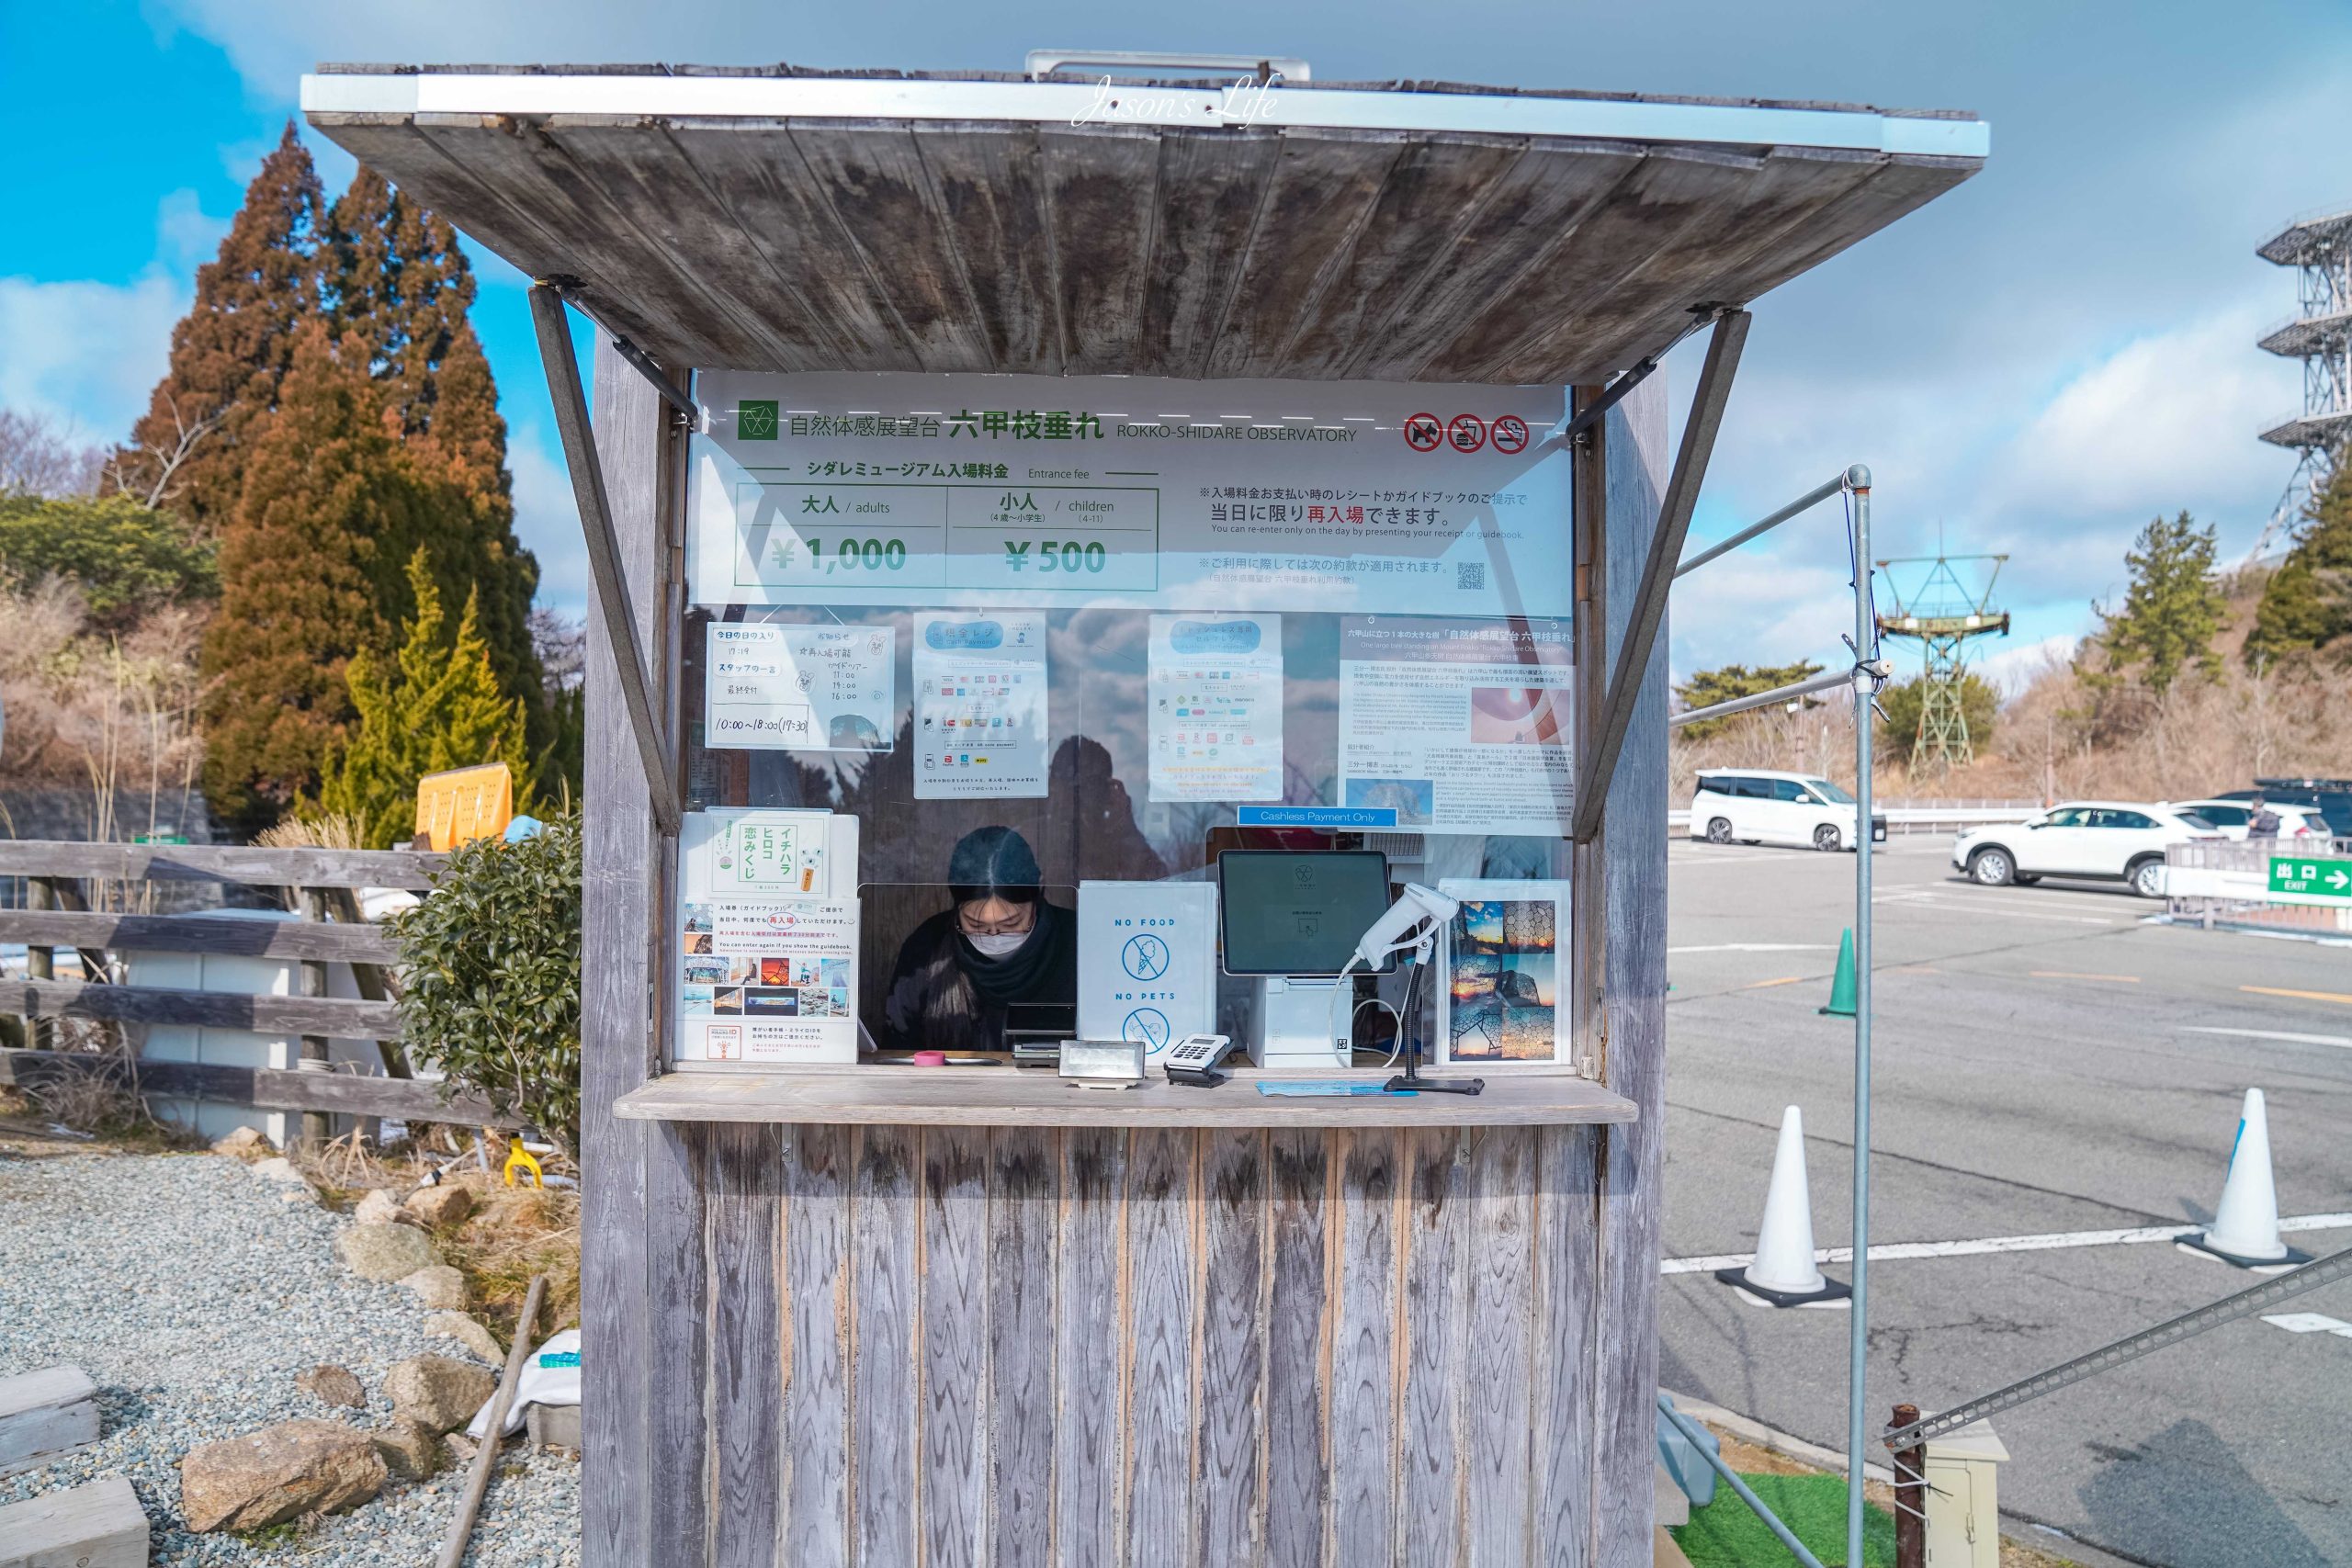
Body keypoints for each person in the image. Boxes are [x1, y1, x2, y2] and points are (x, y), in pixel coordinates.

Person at [881, 826, 1076, 1054]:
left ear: (1039, 890)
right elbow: (897, 1050)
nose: (994, 936)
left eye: (1011, 924)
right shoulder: (927, 949)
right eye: (976, 925)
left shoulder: (1078, 942)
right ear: (956, 907)